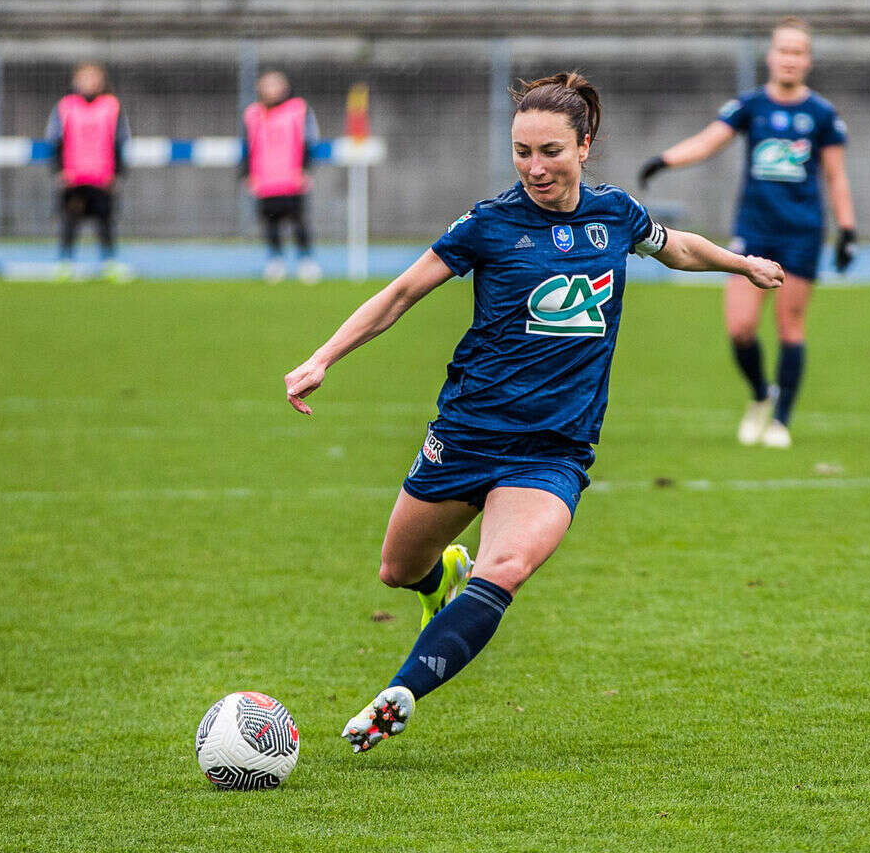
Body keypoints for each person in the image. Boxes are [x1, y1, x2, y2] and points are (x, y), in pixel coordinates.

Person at [283, 72, 784, 753]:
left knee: (507, 566)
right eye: (522, 152)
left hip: (554, 448)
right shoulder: (489, 224)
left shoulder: (616, 214)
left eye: (550, 151)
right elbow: (402, 292)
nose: (535, 167)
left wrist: (740, 263)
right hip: (467, 432)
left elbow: (675, 245)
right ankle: (441, 580)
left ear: (585, 146)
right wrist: (323, 357)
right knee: (398, 570)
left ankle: (399, 694)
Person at [638, 17, 858, 449]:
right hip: (753, 231)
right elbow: (706, 142)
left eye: (798, 52)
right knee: (740, 328)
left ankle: (780, 421)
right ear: (771, 56)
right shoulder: (750, 105)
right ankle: (760, 394)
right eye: (783, 50)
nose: (790, 59)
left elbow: (836, 178)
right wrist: (663, 161)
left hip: (802, 233)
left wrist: (847, 229)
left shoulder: (822, 114)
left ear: (807, 60)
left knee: (789, 327)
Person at [46, 62, 131, 281]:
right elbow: (55, 140)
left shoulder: (112, 106)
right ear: (75, 81)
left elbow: (120, 140)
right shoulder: (66, 106)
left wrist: (119, 172)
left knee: (105, 218)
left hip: (102, 174)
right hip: (74, 175)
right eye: (84, 78)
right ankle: (65, 262)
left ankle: (109, 262)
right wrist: (58, 170)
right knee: (70, 218)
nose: (89, 82)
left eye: (93, 78)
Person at [241, 70, 322, 284]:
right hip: (266, 179)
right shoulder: (253, 114)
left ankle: (306, 261)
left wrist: (305, 169)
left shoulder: (298, 109)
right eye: (267, 85)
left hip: (291, 177)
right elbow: (247, 146)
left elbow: (309, 140)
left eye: (276, 84)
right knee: (270, 222)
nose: (272, 89)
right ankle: (276, 262)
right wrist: (247, 173)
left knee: (298, 220)